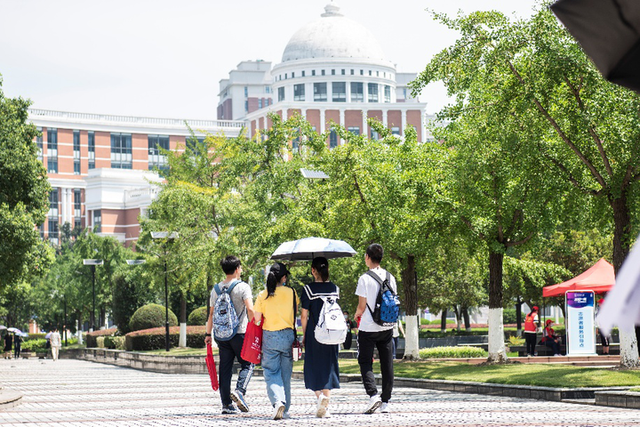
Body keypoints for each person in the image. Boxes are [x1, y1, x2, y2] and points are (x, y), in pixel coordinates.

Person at [204, 256, 255, 415]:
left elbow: (211, 314)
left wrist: (208, 334)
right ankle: (240, 391)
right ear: (237, 268)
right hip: (240, 333)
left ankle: (226, 405)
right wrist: (255, 328)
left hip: (221, 335)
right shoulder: (243, 287)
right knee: (248, 364)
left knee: (225, 369)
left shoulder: (216, 289)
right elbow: (250, 310)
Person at [354, 243, 397, 414]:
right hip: (387, 326)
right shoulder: (390, 276)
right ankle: (385, 401)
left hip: (368, 328)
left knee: (365, 362)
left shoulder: (364, 278)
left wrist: (356, 315)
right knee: (387, 363)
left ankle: (373, 396)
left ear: (367, 257)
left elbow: (361, 306)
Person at [254, 262, 299, 420]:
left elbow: (257, 319)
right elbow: (296, 310)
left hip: (270, 336)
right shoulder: (292, 292)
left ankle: (277, 401)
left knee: (271, 372)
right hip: (288, 336)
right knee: (286, 373)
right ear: (284, 277)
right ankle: (285, 410)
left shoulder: (262, 294)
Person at [300, 257, 340, 418]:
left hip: (314, 333)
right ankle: (326, 407)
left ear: (313, 270)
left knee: (312, 367)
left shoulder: (308, 289)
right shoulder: (335, 289)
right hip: (332, 333)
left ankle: (320, 397)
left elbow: (304, 316)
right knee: (329, 367)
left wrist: (304, 335)